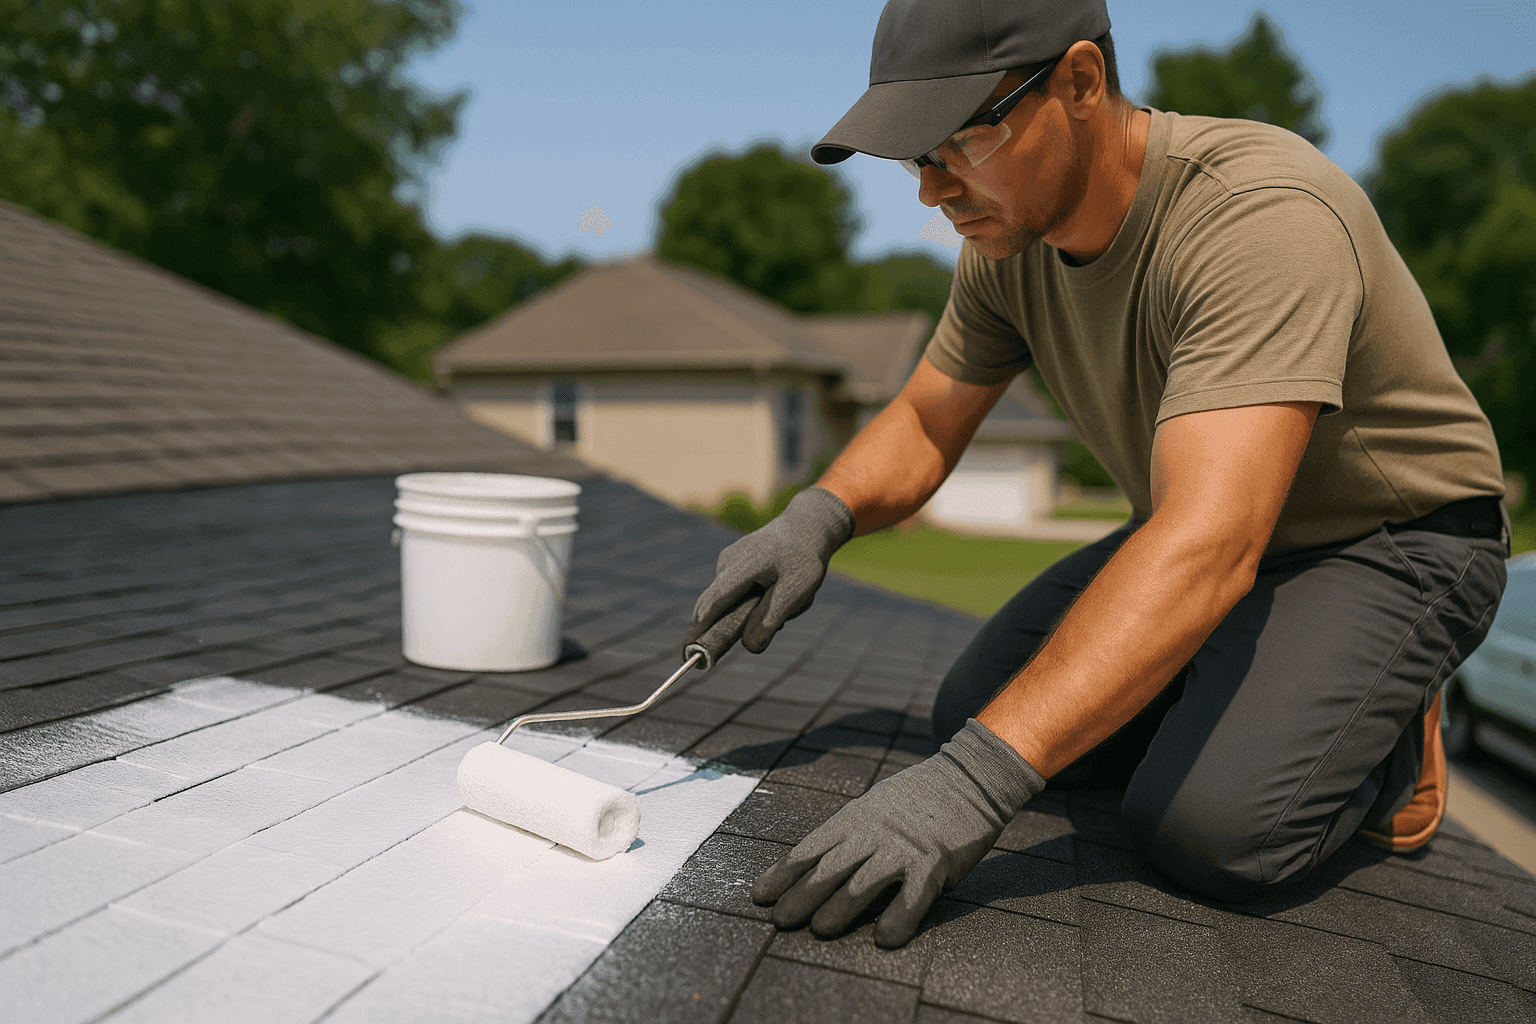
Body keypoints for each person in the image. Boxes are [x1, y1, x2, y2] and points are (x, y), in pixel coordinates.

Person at [681, 0, 1510, 949]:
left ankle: (1390, 724)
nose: (930, 192)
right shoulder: (1007, 243)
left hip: (1391, 537)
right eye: (916, 156)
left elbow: (1209, 543)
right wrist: (814, 520)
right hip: (1212, 524)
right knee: (974, 708)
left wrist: (968, 786)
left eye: (959, 140)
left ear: (1079, 80)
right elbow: (922, 420)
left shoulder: (1259, 215)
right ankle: (1251, 662)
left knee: (1210, 832)